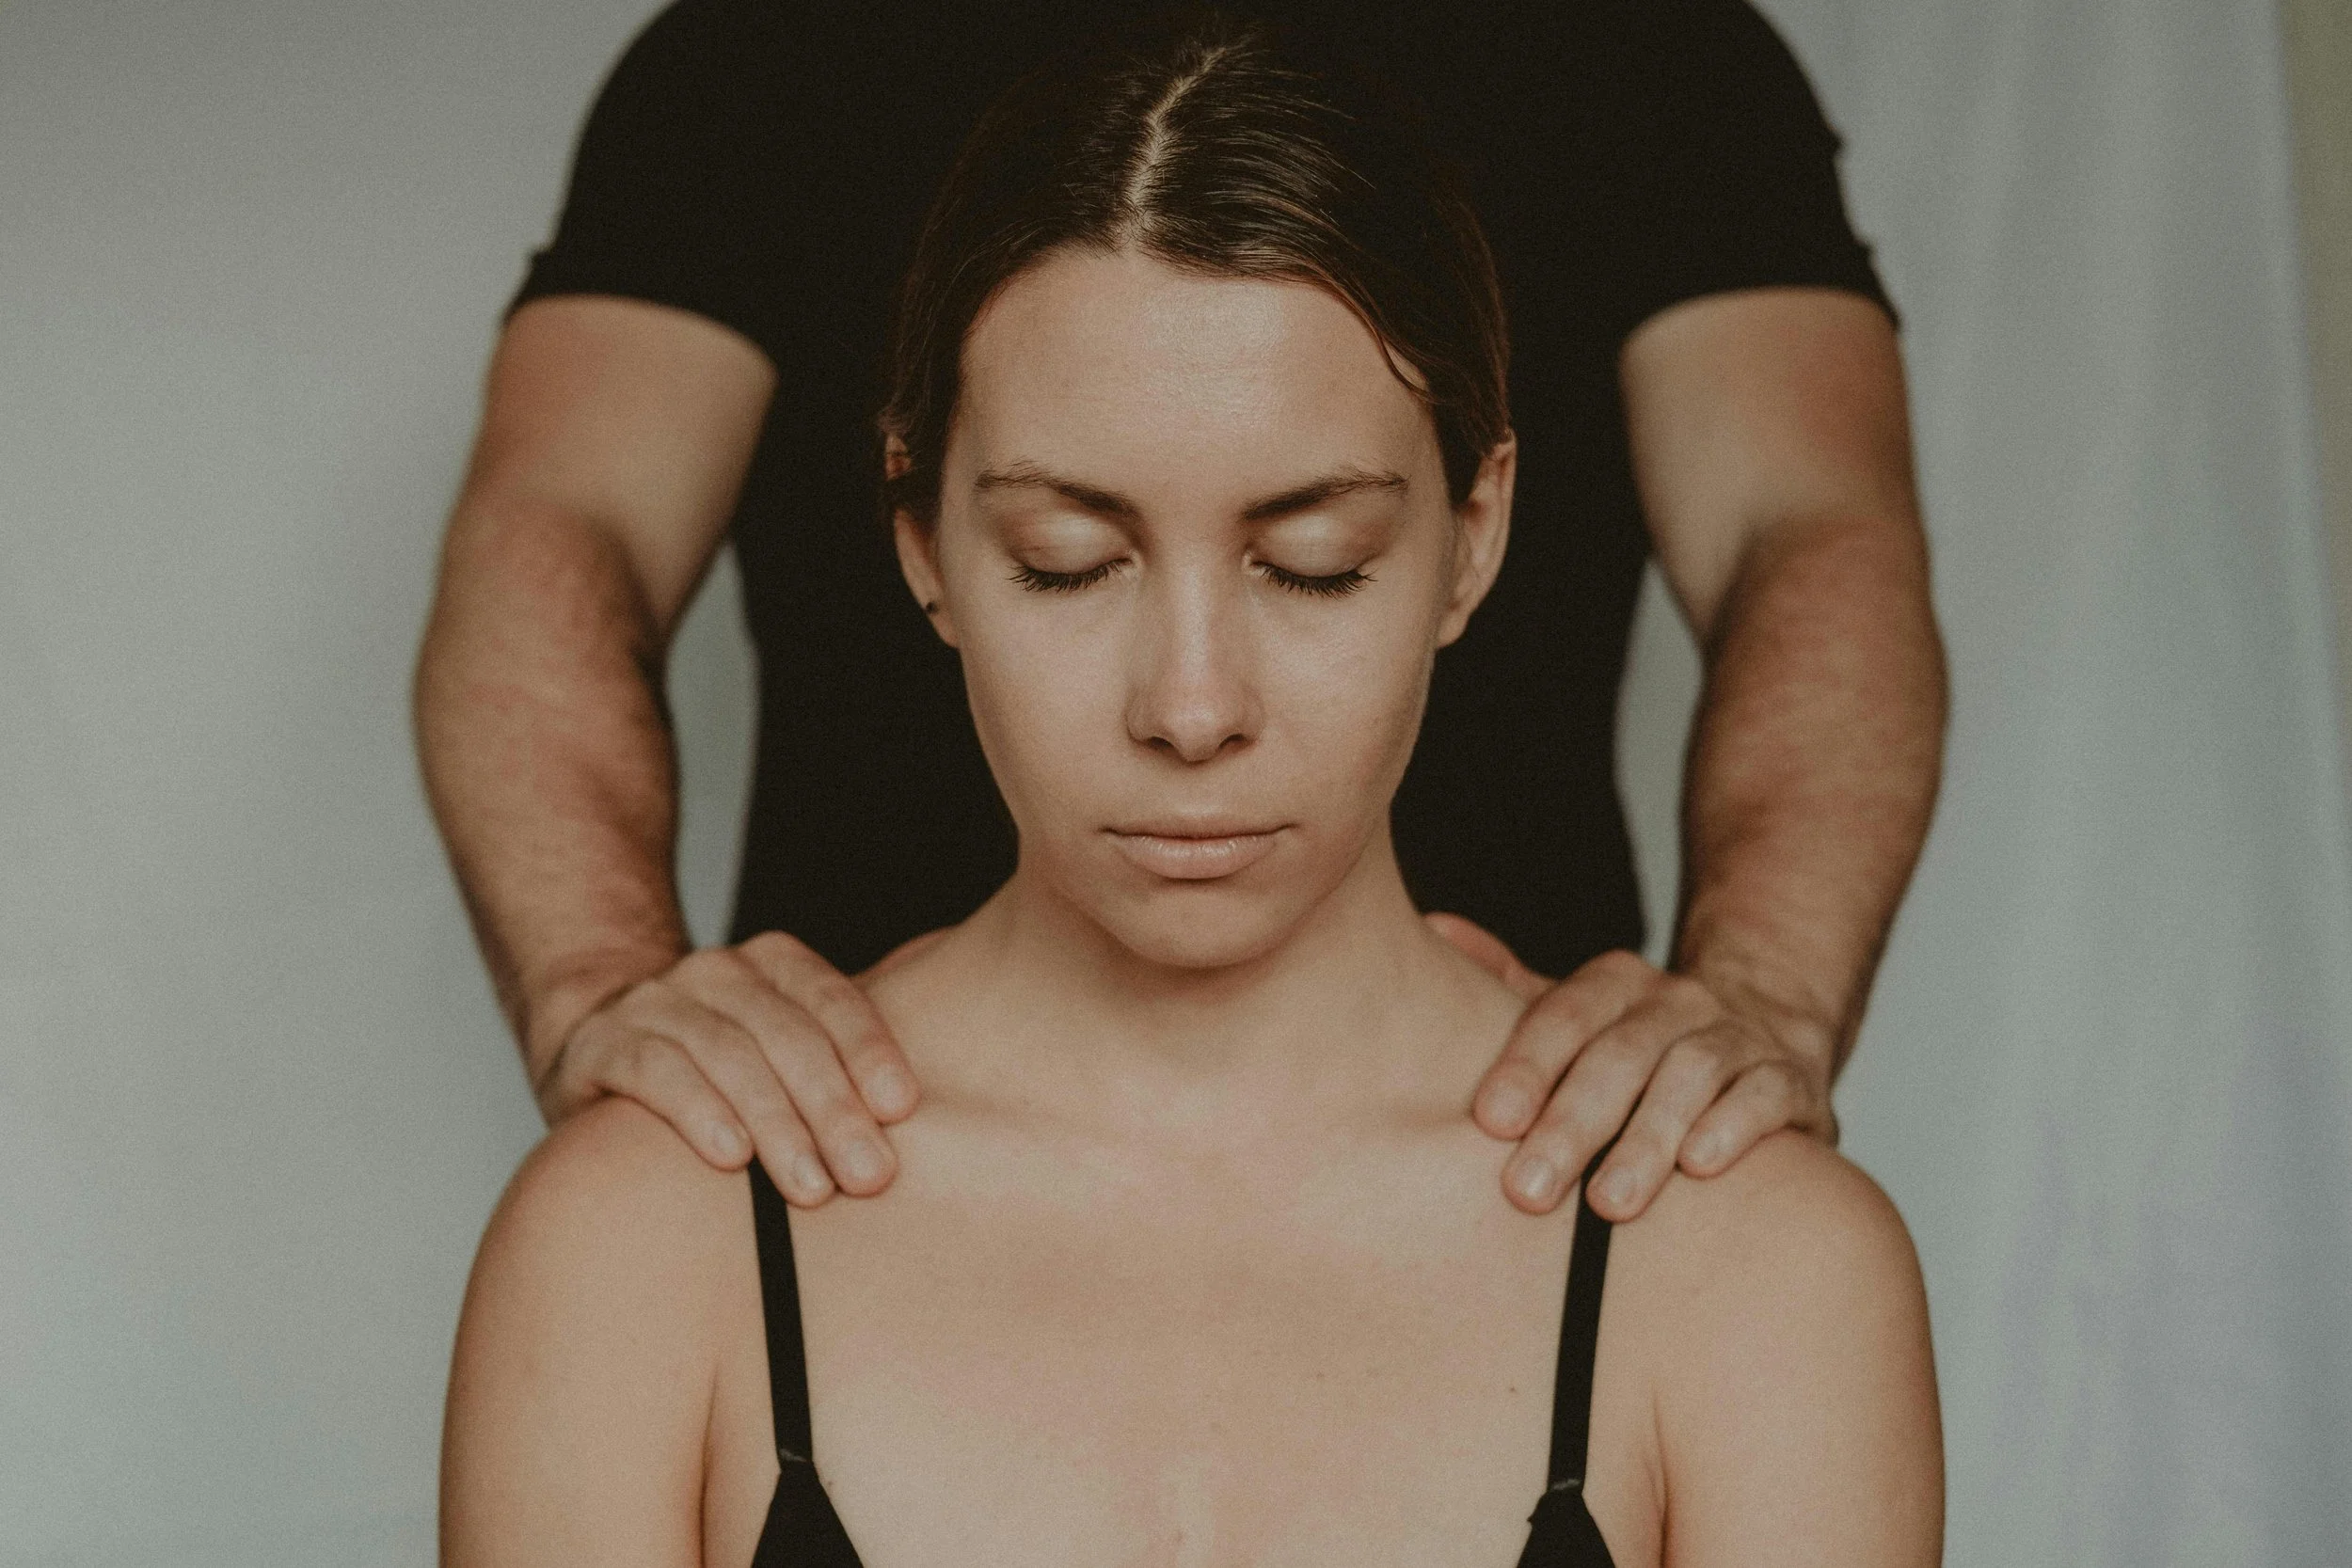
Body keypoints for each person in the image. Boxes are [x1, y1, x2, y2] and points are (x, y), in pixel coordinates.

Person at [441, 19, 1942, 1567]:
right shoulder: (642, 1243)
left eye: (1316, 563)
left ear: (1476, 532)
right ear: (922, 539)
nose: (1192, 709)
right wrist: (597, 994)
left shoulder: (1753, 1267)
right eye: (1065, 562)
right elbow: (564, 518)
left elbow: (1810, 524)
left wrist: (1765, 999)